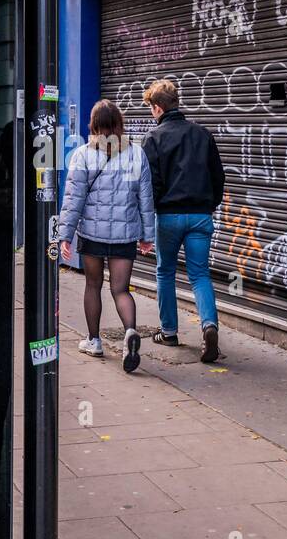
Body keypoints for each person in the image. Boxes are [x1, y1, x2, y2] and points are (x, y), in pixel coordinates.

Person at [57, 100, 156, 373]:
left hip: (92, 235)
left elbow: (73, 199)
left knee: (93, 285)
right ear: (119, 124)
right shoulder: (137, 154)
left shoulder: (83, 154)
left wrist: (64, 235)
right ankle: (130, 333)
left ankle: (94, 340)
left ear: (94, 124)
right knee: (121, 289)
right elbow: (145, 199)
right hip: (125, 236)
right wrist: (147, 235)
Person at [141, 78, 225, 364]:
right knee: (200, 275)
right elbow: (218, 177)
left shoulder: (153, 139)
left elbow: (150, 185)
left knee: (165, 272)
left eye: (151, 107)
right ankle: (209, 326)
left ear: (158, 107)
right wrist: (208, 206)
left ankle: (169, 332)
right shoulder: (202, 134)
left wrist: (147, 218)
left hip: (168, 217)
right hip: (201, 216)